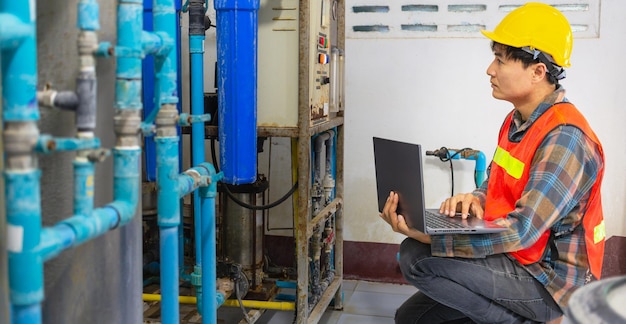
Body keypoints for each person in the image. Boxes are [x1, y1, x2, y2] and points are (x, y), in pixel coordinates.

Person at [379, 3, 606, 323]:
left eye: (500, 59)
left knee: (416, 255)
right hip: (516, 259)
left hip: (552, 283)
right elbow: (496, 183)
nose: (490, 69)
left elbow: (522, 231)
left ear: (538, 71)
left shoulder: (565, 138)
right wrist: (476, 199)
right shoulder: (517, 122)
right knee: (412, 319)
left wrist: (434, 237)